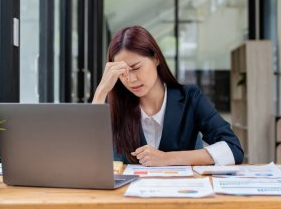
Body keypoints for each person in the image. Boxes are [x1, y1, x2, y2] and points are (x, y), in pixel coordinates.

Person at [93, 25, 243, 166]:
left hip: (182, 192)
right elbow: (89, 156)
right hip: (125, 193)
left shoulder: (190, 98)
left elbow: (233, 149)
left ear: (156, 59)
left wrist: (167, 158)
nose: (131, 79)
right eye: (122, 73)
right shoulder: (115, 107)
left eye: (136, 68)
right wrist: (101, 92)